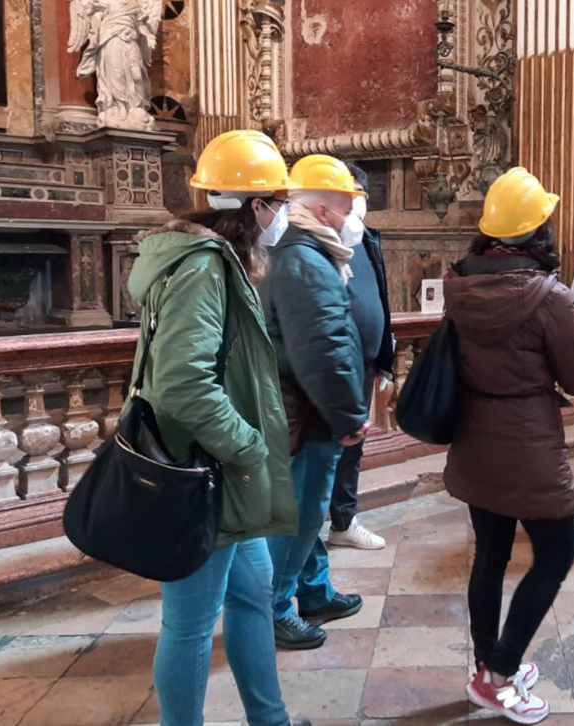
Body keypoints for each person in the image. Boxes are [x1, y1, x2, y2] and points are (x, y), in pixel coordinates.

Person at [127, 129, 308, 726]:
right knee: (190, 626)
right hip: (204, 475)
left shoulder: (209, 260)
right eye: (279, 202)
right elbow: (182, 384)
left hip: (222, 475)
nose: (283, 214)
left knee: (253, 598)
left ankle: (271, 720)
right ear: (254, 207)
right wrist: (248, 445)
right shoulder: (204, 268)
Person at [445, 167, 574, 724]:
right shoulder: (549, 296)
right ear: (540, 232)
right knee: (557, 552)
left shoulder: (461, 283)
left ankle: (485, 665)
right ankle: (500, 676)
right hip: (529, 442)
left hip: (475, 438)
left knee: (489, 556)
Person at [261, 154, 371, 650]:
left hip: (307, 411)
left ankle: (314, 592)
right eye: (347, 207)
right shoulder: (305, 260)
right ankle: (275, 608)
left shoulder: (306, 252)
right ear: (324, 211)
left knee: (308, 510)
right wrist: (349, 416)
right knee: (302, 515)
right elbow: (324, 351)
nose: (352, 218)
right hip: (309, 416)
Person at [323, 162, 394, 551]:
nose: (353, 204)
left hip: (364, 360)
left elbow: (380, 296)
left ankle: (344, 520)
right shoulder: (319, 242)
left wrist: (386, 356)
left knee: (353, 446)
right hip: (334, 362)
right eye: (345, 196)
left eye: (358, 195)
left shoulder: (366, 238)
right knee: (324, 448)